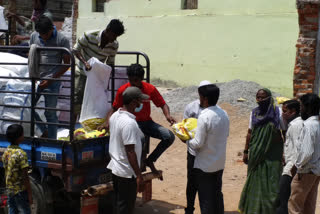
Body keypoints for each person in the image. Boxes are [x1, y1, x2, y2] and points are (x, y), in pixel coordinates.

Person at [99, 63, 176, 173]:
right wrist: (107, 122)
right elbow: (114, 108)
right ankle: (138, 169)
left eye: (136, 80)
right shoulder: (124, 91)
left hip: (147, 122)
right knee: (140, 139)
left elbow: (163, 104)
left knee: (169, 136)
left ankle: (150, 160)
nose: (133, 83)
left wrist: (167, 115)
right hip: (132, 123)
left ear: (141, 78)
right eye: (131, 80)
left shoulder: (150, 89)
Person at [238, 88, 285, 214]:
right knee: (254, 180)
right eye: (258, 97)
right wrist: (246, 151)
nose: (260, 100)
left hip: (273, 154)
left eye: (263, 97)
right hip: (256, 153)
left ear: (269, 97)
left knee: (272, 183)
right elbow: (250, 132)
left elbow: (284, 132)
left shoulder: (277, 112)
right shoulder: (253, 113)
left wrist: (285, 152)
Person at [187, 84, 229, 214]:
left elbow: (198, 143)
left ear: (204, 98)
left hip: (204, 165)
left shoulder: (204, 116)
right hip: (219, 162)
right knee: (217, 195)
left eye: (200, 96)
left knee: (205, 199)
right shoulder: (224, 113)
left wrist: (187, 140)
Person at [73, 19, 125, 117]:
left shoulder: (114, 45)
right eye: (113, 35)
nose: (114, 39)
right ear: (108, 30)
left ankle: (88, 130)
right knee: (77, 102)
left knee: (93, 105)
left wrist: (105, 79)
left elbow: (110, 63)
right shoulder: (89, 35)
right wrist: (85, 63)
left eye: (116, 37)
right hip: (81, 73)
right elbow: (75, 49)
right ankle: (72, 130)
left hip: (96, 77)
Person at [29, 15, 70, 139]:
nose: (43, 37)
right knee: (28, 107)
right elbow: (31, 56)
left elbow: (67, 63)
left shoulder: (61, 39)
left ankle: (53, 143)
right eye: (40, 34)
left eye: (45, 34)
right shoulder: (34, 36)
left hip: (53, 81)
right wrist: (33, 73)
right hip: (35, 78)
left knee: (50, 113)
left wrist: (51, 79)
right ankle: (43, 131)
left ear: (52, 29)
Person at [107, 86, 147, 214]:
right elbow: (130, 151)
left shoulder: (114, 116)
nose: (141, 104)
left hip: (117, 169)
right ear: (134, 102)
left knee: (119, 204)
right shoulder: (129, 123)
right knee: (126, 208)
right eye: (140, 101)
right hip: (127, 172)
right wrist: (139, 176)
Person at [288, 93, 320, 214]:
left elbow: (306, 152)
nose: (300, 110)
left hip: (306, 171)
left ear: (308, 107)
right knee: (308, 206)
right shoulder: (318, 124)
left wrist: (297, 165)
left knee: (294, 206)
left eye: (301, 106)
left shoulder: (309, 125)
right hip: (315, 171)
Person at [183, 80, 211, 214]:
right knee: (192, 182)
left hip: (207, 153)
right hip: (193, 152)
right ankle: (189, 208)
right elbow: (184, 128)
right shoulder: (191, 107)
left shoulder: (213, 110)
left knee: (206, 183)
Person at [276, 99, 302, 214]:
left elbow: (299, 148)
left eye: (285, 111)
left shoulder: (296, 125)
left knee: (282, 199)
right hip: (290, 164)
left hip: (291, 167)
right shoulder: (293, 124)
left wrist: (293, 166)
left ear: (293, 112)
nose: (282, 114)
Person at [2, 124, 32, 214]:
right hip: (20, 190)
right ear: (19, 138)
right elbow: (25, 176)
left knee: (12, 209)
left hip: (10, 189)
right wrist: (30, 193)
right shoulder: (21, 154)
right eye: (22, 134)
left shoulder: (6, 152)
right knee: (24, 211)